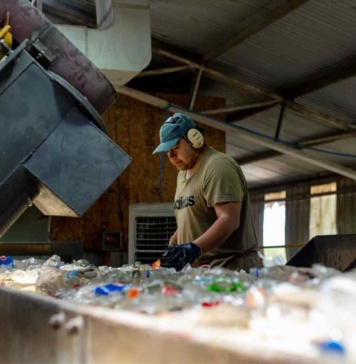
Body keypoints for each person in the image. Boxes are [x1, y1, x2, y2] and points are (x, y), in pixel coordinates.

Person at [153, 112, 261, 272]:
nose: (171, 156)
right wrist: (173, 245)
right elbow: (192, 219)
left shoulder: (217, 166)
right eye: (167, 151)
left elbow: (229, 219)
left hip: (229, 271)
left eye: (175, 148)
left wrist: (193, 248)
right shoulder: (182, 174)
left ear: (194, 139)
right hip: (201, 271)